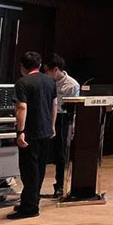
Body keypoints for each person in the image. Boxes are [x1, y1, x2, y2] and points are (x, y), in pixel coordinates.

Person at [9, 51, 57, 219]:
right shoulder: (50, 81)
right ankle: (31, 201)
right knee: (40, 169)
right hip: (45, 130)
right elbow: (54, 104)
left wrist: (20, 131)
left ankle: (30, 208)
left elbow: (22, 107)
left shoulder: (22, 83)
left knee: (29, 171)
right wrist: (52, 125)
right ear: (40, 64)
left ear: (22, 66)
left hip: (30, 132)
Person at [43, 54, 80, 197]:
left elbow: (74, 109)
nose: (45, 73)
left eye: (47, 70)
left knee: (60, 153)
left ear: (56, 69)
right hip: (46, 116)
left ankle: (59, 185)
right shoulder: (47, 82)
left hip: (63, 119)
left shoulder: (71, 85)